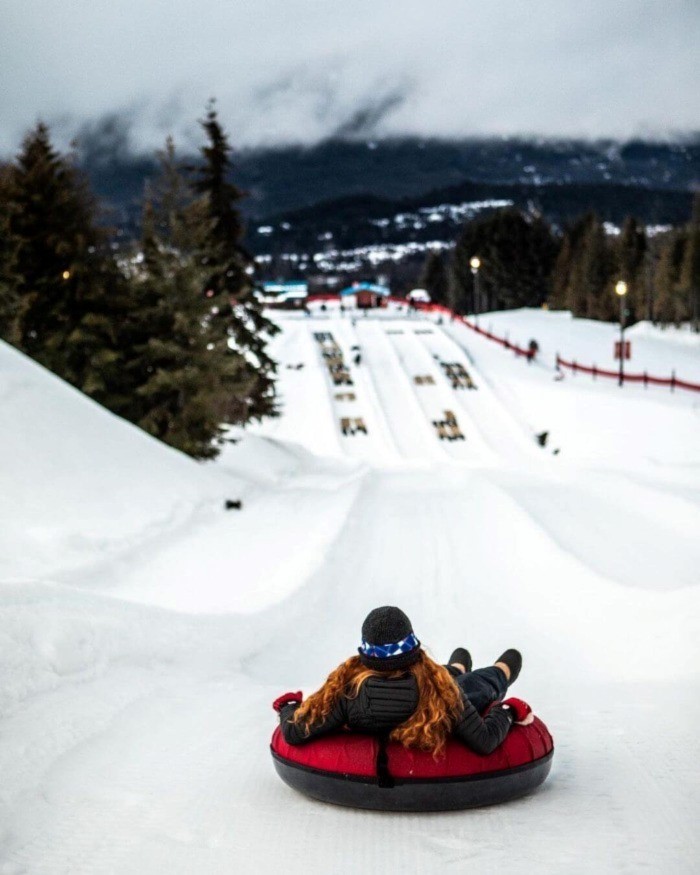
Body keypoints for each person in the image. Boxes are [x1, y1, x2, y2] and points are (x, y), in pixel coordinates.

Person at [274, 606, 533, 757]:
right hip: (438, 691)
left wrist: (289, 706)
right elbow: (485, 740)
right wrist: (507, 711)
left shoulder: (348, 692)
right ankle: (480, 669)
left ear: (366, 656)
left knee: (452, 675)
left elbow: (295, 732)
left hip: (421, 682)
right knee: (480, 683)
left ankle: (456, 666)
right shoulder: (442, 691)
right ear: (413, 650)